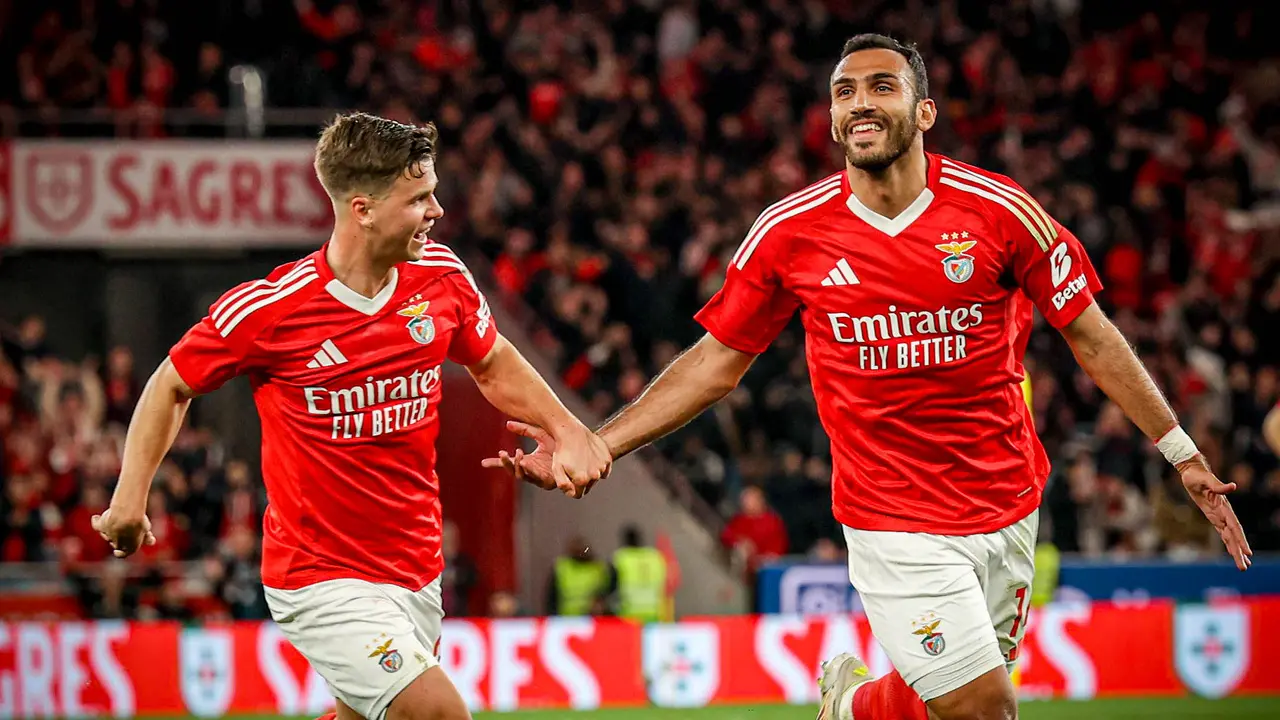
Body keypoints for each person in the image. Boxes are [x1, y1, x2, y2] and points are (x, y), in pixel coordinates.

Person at [485, 35, 1252, 720]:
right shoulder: (790, 232)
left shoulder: (1000, 212)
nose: (860, 102)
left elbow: (1091, 335)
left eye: (882, 87)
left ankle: (850, 704)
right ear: (831, 119)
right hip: (892, 518)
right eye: (845, 91)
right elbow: (715, 363)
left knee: (941, 702)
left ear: (924, 112)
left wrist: (1180, 450)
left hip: (1006, 500)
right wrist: (602, 441)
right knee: (984, 707)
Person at [93, 112, 611, 720]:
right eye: (418, 198)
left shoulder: (442, 278)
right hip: (319, 575)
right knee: (438, 714)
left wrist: (568, 429)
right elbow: (170, 383)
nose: (437, 210)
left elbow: (491, 360)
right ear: (362, 209)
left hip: (416, 569)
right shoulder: (273, 309)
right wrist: (129, 499)